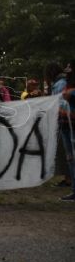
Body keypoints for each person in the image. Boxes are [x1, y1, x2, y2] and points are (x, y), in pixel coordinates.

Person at [45, 62, 71, 189]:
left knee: (66, 150)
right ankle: (68, 178)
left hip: (64, 119)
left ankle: (69, 179)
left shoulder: (60, 83)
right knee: (64, 150)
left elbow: (60, 101)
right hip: (62, 119)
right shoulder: (61, 82)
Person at [58, 68, 75, 201]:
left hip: (71, 125)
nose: (67, 70)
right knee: (70, 158)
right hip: (66, 126)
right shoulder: (66, 85)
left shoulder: (69, 88)